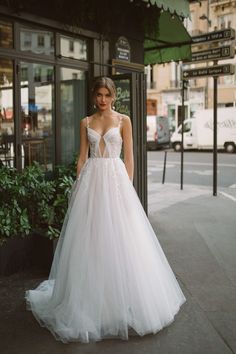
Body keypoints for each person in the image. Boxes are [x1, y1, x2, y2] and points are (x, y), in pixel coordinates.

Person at [25, 77, 186, 344]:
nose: (102, 99)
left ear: (113, 96)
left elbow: (130, 156)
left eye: (107, 94)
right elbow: (81, 157)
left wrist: (128, 189)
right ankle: (88, 302)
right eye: (98, 94)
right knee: (90, 240)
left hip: (116, 181)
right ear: (93, 96)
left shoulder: (124, 120)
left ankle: (124, 300)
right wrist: (77, 187)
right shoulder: (85, 122)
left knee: (123, 239)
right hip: (91, 183)